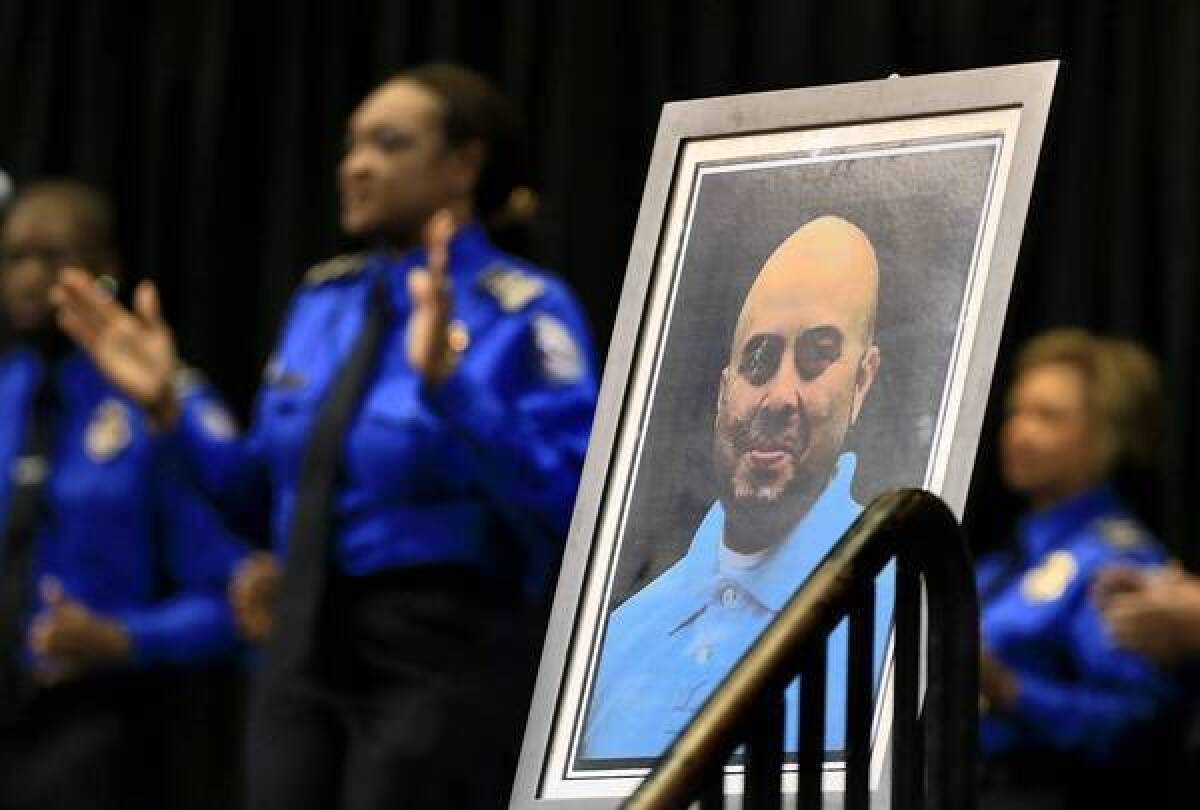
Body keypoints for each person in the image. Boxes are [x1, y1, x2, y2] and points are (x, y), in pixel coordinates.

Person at [53, 63, 598, 809]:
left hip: (439, 661)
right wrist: (171, 406)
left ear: (463, 164)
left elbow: (574, 511)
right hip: (299, 655)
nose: (356, 165)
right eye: (351, 146)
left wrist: (455, 391)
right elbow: (259, 501)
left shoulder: (523, 310)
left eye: (389, 143)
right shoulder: (323, 299)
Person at [583, 215, 892, 760]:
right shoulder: (617, 637)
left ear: (862, 382)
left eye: (818, 356)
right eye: (758, 360)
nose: (778, 397)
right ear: (724, 391)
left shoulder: (894, 613)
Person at [0, 180, 247, 810]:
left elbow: (239, 603)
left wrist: (124, 638)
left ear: (105, 269)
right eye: (14, 258)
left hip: (99, 729)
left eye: (52, 258)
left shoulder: (160, 407)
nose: (29, 277)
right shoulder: (6, 393)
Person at [975, 328, 1176, 809]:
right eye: (1015, 412)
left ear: (1107, 433)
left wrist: (1008, 690)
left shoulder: (1117, 565)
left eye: (1047, 416)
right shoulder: (1001, 563)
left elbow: (1136, 726)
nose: (1018, 432)